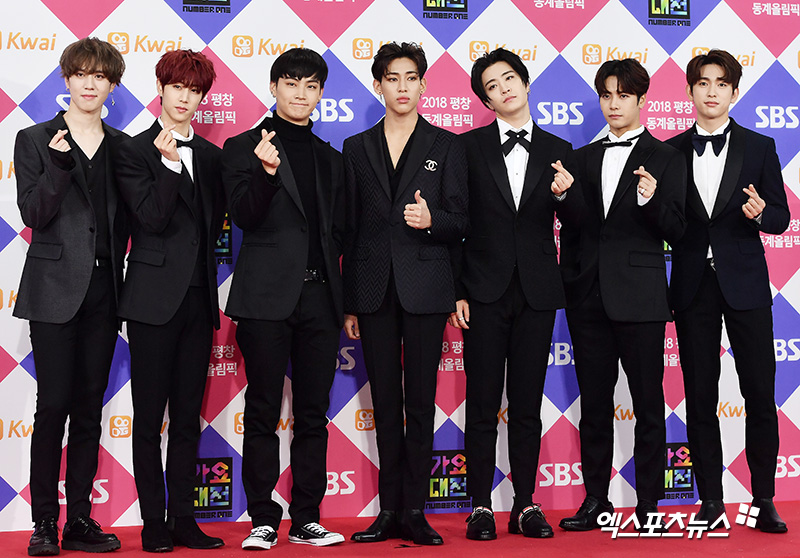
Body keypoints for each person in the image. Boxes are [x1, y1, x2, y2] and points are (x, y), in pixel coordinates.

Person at [451, 47, 580, 541]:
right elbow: (456, 225)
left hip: (537, 292)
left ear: (525, 83)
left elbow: (579, 224)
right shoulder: (467, 147)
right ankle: (480, 506)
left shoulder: (559, 149)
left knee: (527, 404)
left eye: (509, 78)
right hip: (482, 291)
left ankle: (526, 504)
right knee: (482, 403)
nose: (504, 88)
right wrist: (457, 290)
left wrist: (566, 195)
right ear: (486, 100)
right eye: (492, 85)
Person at [342, 41, 468, 546]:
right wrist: (350, 301)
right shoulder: (356, 147)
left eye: (410, 78)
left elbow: (463, 221)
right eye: (392, 78)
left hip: (426, 287)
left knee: (420, 403)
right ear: (378, 85)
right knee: (385, 404)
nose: (402, 87)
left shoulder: (446, 144)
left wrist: (433, 220)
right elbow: (349, 229)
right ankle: (388, 510)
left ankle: (415, 510)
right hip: (373, 290)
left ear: (423, 84)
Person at [222, 48, 345, 550]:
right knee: (262, 410)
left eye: (311, 85)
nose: (300, 93)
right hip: (265, 298)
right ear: (273, 88)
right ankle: (262, 517)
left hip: (321, 298)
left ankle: (307, 516)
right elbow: (244, 217)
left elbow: (342, 233)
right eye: (291, 83)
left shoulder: (332, 158)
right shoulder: (242, 146)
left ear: (320, 94)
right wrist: (266, 173)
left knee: (314, 414)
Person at [558, 58, 686, 531]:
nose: (614, 104)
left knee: (648, 405)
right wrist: (562, 198)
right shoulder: (580, 158)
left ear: (641, 100)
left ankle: (649, 504)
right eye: (606, 95)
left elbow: (678, 229)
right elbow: (576, 230)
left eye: (623, 95)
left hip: (641, 298)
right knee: (594, 406)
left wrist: (651, 200)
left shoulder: (668, 157)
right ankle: (596, 500)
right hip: (588, 299)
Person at [666, 49, 790, 533]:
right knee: (700, 396)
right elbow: (666, 222)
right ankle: (711, 501)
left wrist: (761, 214)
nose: (712, 91)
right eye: (703, 82)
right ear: (690, 90)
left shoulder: (760, 147)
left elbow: (780, 217)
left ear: (734, 92)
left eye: (721, 83)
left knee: (759, 393)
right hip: (692, 287)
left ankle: (764, 500)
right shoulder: (670, 151)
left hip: (746, 286)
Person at [14, 37, 127, 556]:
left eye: (100, 76)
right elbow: (33, 215)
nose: (89, 84)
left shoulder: (123, 146)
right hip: (54, 288)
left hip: (106, 290)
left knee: (88, 409)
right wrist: (59, 168)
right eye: (80, 74)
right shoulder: (35, 139)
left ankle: (79, 518)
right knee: (53, 405)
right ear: (66, 79)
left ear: (112, 85)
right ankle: (44, 522)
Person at [115, 49, 226, 552]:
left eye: (194, 90)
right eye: (177, 87)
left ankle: (184, 518)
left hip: (199, 302)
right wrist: (168, 164)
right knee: (148, 420)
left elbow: (214, 227)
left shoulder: (212, 157)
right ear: (161, 89)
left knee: (186, 419)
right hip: (151, 302)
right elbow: (151, 219)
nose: (185, 98)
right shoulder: (132, 150)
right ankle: (153, 522)